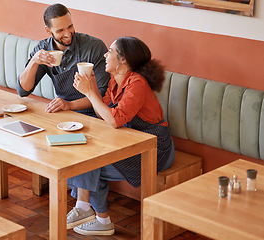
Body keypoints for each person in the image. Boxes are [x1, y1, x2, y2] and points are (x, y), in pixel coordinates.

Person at [68, 36, 175, 236]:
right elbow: (104, 114)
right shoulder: (115, 81)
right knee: (81, 157)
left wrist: (90, 95)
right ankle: (88, 210)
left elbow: (115, 121)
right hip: (129, 140)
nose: (105, 55)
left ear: (123, 60)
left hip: (154, 148)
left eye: (109, 51)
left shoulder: (138, 83)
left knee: (90, 163)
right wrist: (91, 88)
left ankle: (96, 216)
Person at [17, 3, 110, 116]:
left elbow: (102, 94)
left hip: (95, 115)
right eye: (60, 30)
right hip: (63, 115)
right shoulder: (43, 49)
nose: (68, 34)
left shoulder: (94, 47)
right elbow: (23, 91)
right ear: (48, 30)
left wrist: (69, 105)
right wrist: (34, 61)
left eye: (70, 27)